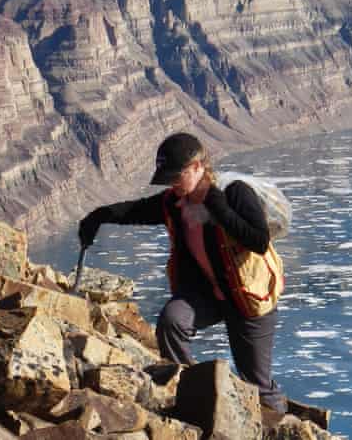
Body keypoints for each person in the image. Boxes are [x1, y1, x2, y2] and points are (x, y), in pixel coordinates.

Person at [78, 131, 287, 413]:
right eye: (169, 179)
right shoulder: (174, 203)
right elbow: (136, 211)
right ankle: (194, 392)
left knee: (258, 383)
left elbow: (259, 241)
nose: (172, 185)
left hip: (247, 298)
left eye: (177, 177)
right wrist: (98, 216)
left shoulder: (234, 192)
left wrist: (218, 206)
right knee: (172, 321)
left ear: (198, 167)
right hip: (208, 296)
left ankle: (280, 421)